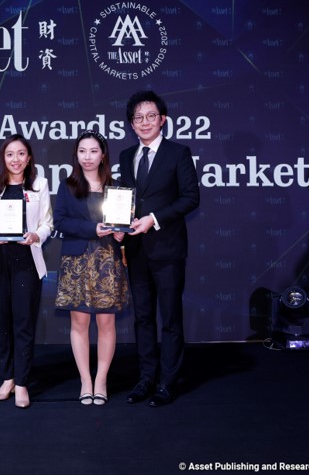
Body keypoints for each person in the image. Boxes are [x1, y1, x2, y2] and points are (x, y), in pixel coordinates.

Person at [118, 90, 200, 407]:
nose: (145, 122)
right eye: (138, 118)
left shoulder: (178, 153)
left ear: (162, 119)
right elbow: (124, 199)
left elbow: (191, 198)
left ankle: (167, 381)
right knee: (142, 318)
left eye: (151, 116)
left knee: (169, 318)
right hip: (136, 250)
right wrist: (119, 226)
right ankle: (146, 378)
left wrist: (153, 218)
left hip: (167, 249)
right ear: (131, 124)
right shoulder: (126, 156)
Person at [0, 134, 53, 409]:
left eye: (21, 154)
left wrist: (36, 236)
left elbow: (47, 223)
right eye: (10, 154)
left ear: (29, 158)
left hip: (27, 262)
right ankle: (6, 377)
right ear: (2, 158)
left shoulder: (39, 185)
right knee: (2, 323)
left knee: (23, 323)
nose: (15, 159)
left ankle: (21, 383)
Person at [54, 131, 129, 406]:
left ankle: (101, 380)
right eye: (82, 151)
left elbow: (121, 224)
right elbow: (60, 222)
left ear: (103, 154)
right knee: (79, 322)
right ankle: (86, 380)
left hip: (107, 260)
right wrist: (92, 229)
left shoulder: (117, 188)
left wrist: (121, 233)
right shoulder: (67, 186)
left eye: (93, 151)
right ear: (76, 154)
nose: (87, 157)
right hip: (76, 260)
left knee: (106, 322)